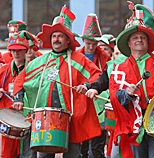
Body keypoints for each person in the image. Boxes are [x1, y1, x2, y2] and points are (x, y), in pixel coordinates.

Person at [12, 6, 102, 158]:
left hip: (72, 121)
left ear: (68, 40)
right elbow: (20, 81)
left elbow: (97, 76)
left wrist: (87, 86)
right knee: (45, 156)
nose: (56, 39)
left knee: (72, 155)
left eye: (60, 36)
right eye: (54, 36)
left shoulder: (79, 60)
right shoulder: (39, 62)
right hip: (45, 121)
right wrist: (19, 98)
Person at [108, 2, 154, 158]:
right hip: (134, 123)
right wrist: (126, 94)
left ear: (148, 41)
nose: (139, 40)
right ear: (128, 43)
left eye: (143, 37)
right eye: (135, 37)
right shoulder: (119, 68)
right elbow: (114, 94)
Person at [75, 13, 112, 158]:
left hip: (99, 107)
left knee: (98, 147)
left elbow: (108, 78)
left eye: (94, 44)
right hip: (81, 105)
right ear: (83, 40)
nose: (91, 46)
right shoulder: (75, 55)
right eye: (88, 43)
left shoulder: (105, 57)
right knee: (81, 147)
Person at [0, 31, 38, 158]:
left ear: (26, 51)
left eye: (19, 50)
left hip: (28, 120)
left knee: (29, 155)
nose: (16, 53)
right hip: (8, 122)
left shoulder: (34, 70)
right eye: (13, 50)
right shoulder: (3, 71)